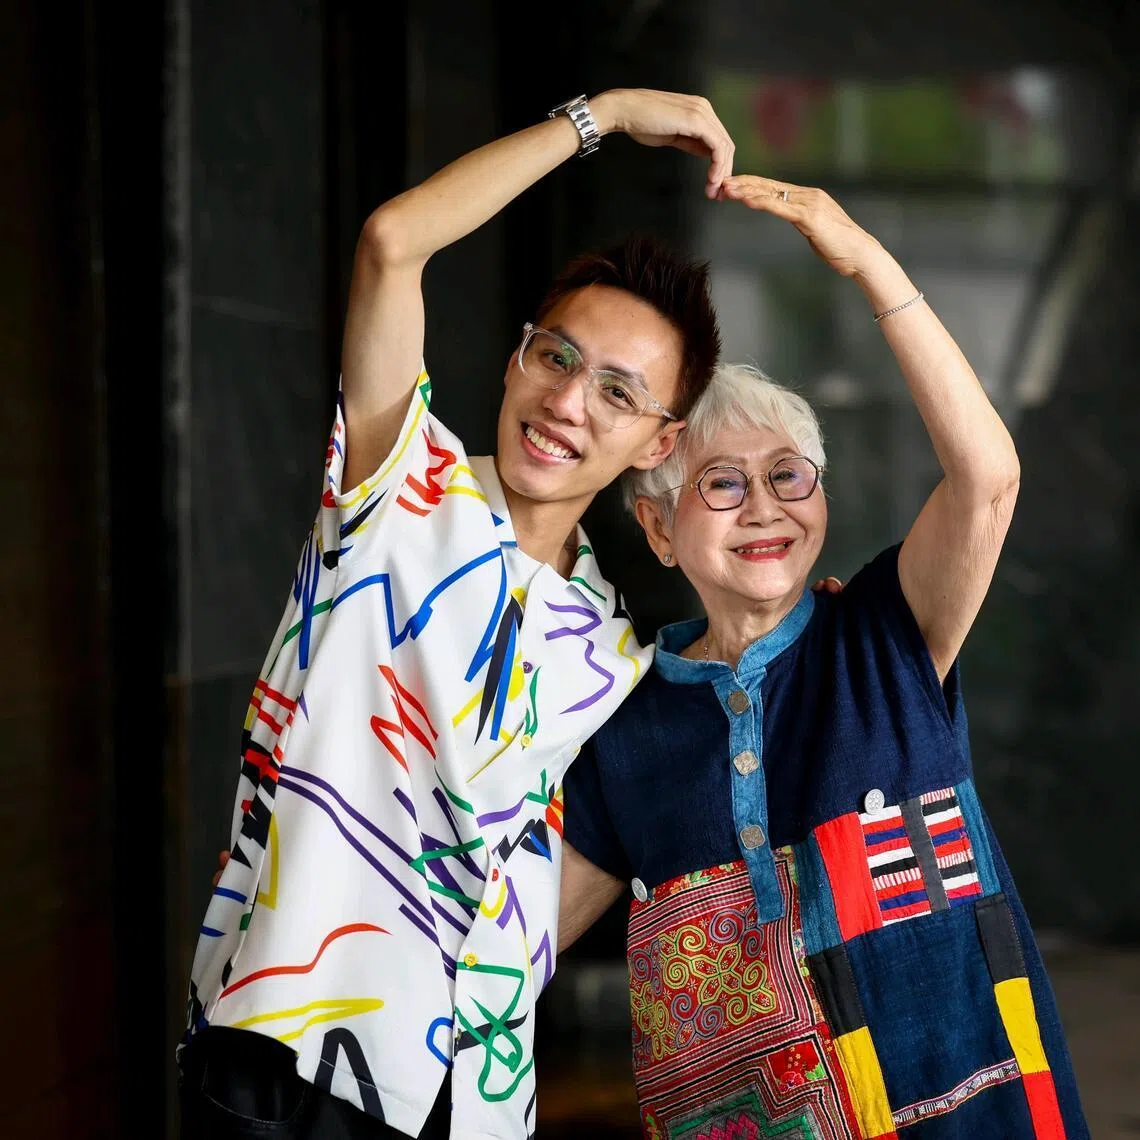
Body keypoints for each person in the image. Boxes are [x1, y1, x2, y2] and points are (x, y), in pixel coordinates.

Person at [177, 88, 736, 1140]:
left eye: (619, 393)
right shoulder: (404, 486)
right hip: (288, 1055)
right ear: (523, 354)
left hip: (466, 1099)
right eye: (557, 356)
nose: (568, 402)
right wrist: (602, 116)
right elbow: (393, 241)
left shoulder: (610, 645)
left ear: (658, 444)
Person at [559, 176, 1090, 1138]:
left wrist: (870, 265)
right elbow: (517, 941)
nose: (765, 506)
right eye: (722, 482)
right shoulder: (623, 723)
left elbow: (988, 477)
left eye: (788, 475)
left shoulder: (883, 635)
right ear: (659, 528)